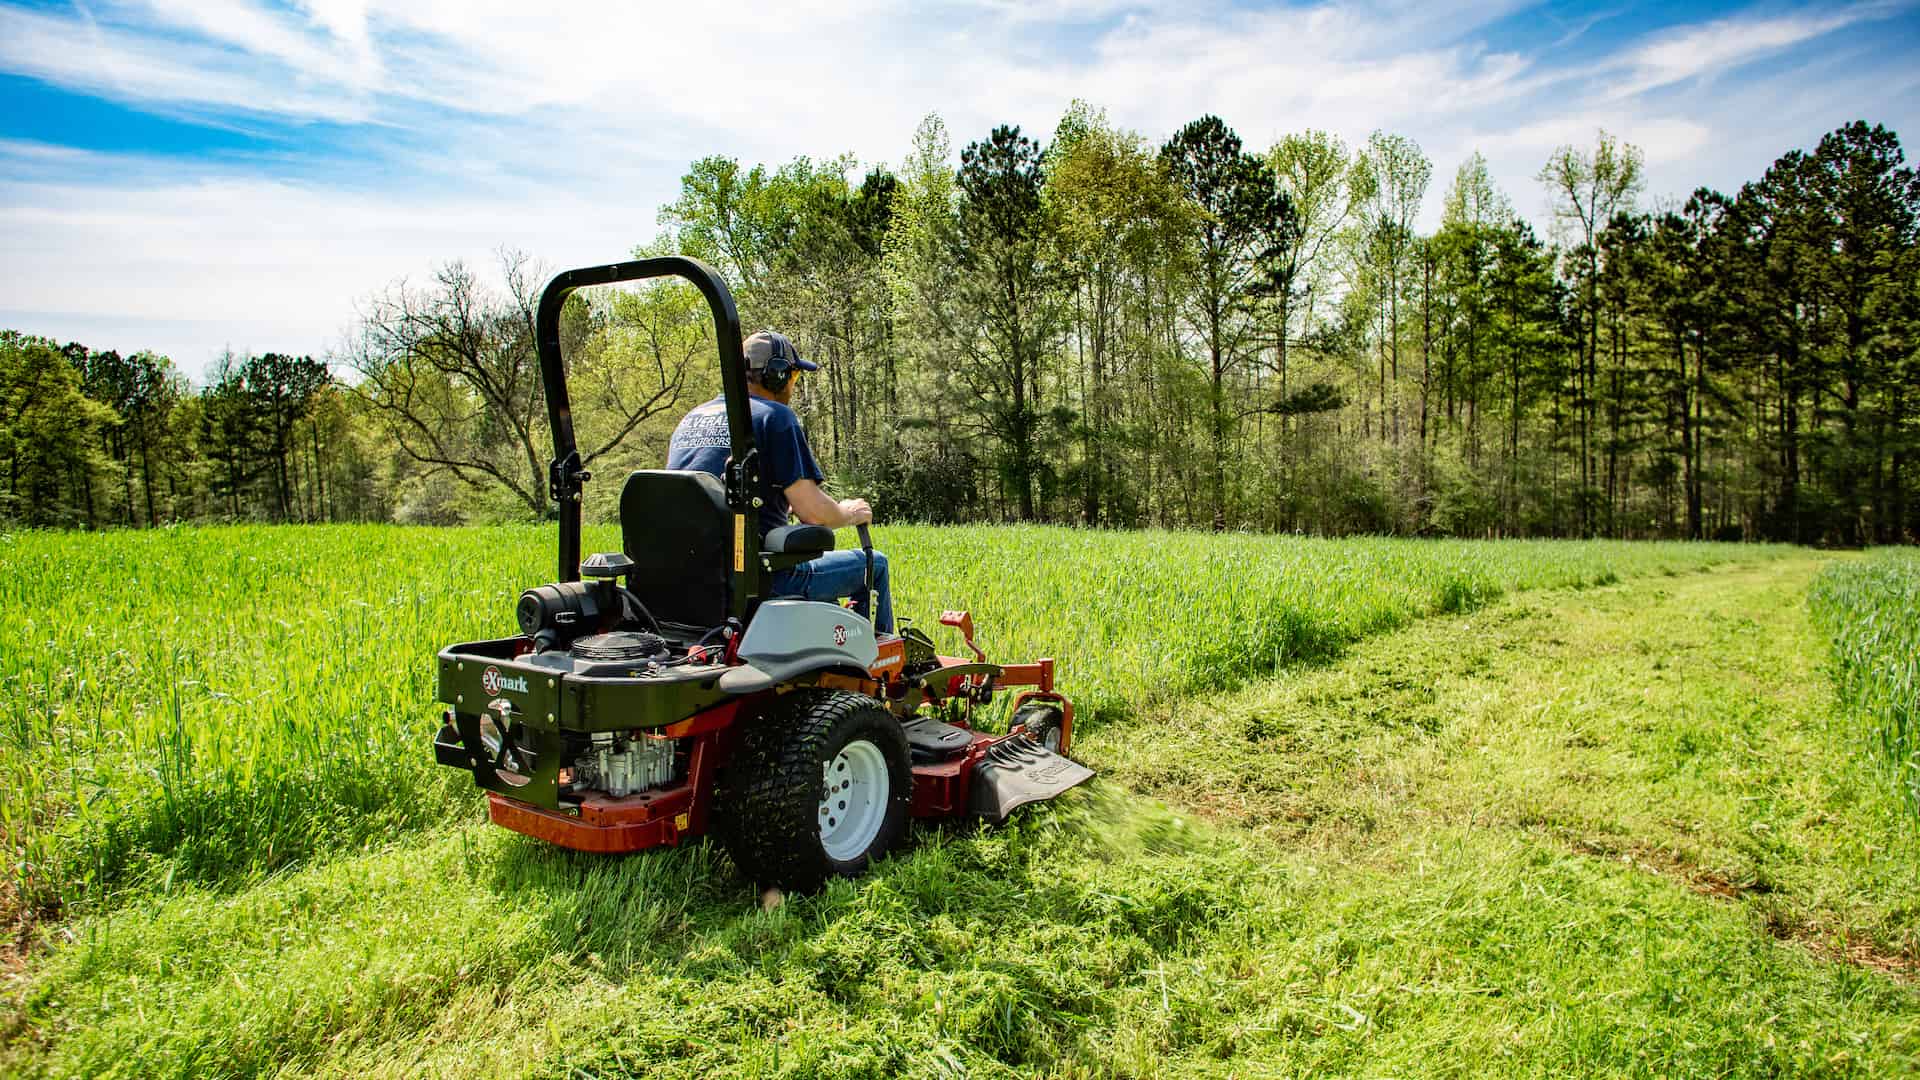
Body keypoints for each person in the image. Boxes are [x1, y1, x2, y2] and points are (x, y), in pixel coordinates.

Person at [666, 329, 895, 634]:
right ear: (776, 375)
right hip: (759, 582)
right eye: (793, 378)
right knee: (875, 565)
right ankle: (871, 669)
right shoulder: (774, 417)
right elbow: (813, 514)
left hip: (690, 586)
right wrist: (849, 512)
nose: (792, 388)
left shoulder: (691, 418)